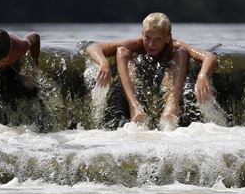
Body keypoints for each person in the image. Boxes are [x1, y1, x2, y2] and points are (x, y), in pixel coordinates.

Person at [86, 12, 217, 127]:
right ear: (142, 34)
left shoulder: (174, 45)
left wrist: (202, 75)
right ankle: (134, 107)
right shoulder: (137, 44)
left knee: (182, 52)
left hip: (170, 77)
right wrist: (103, 63)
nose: (151, 44)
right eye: (147, 38)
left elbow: (209, 56)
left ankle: (171, 107)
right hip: (139, 74)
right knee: (121, 51)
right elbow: (93, 47)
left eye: (158, 39)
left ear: (167, 38)